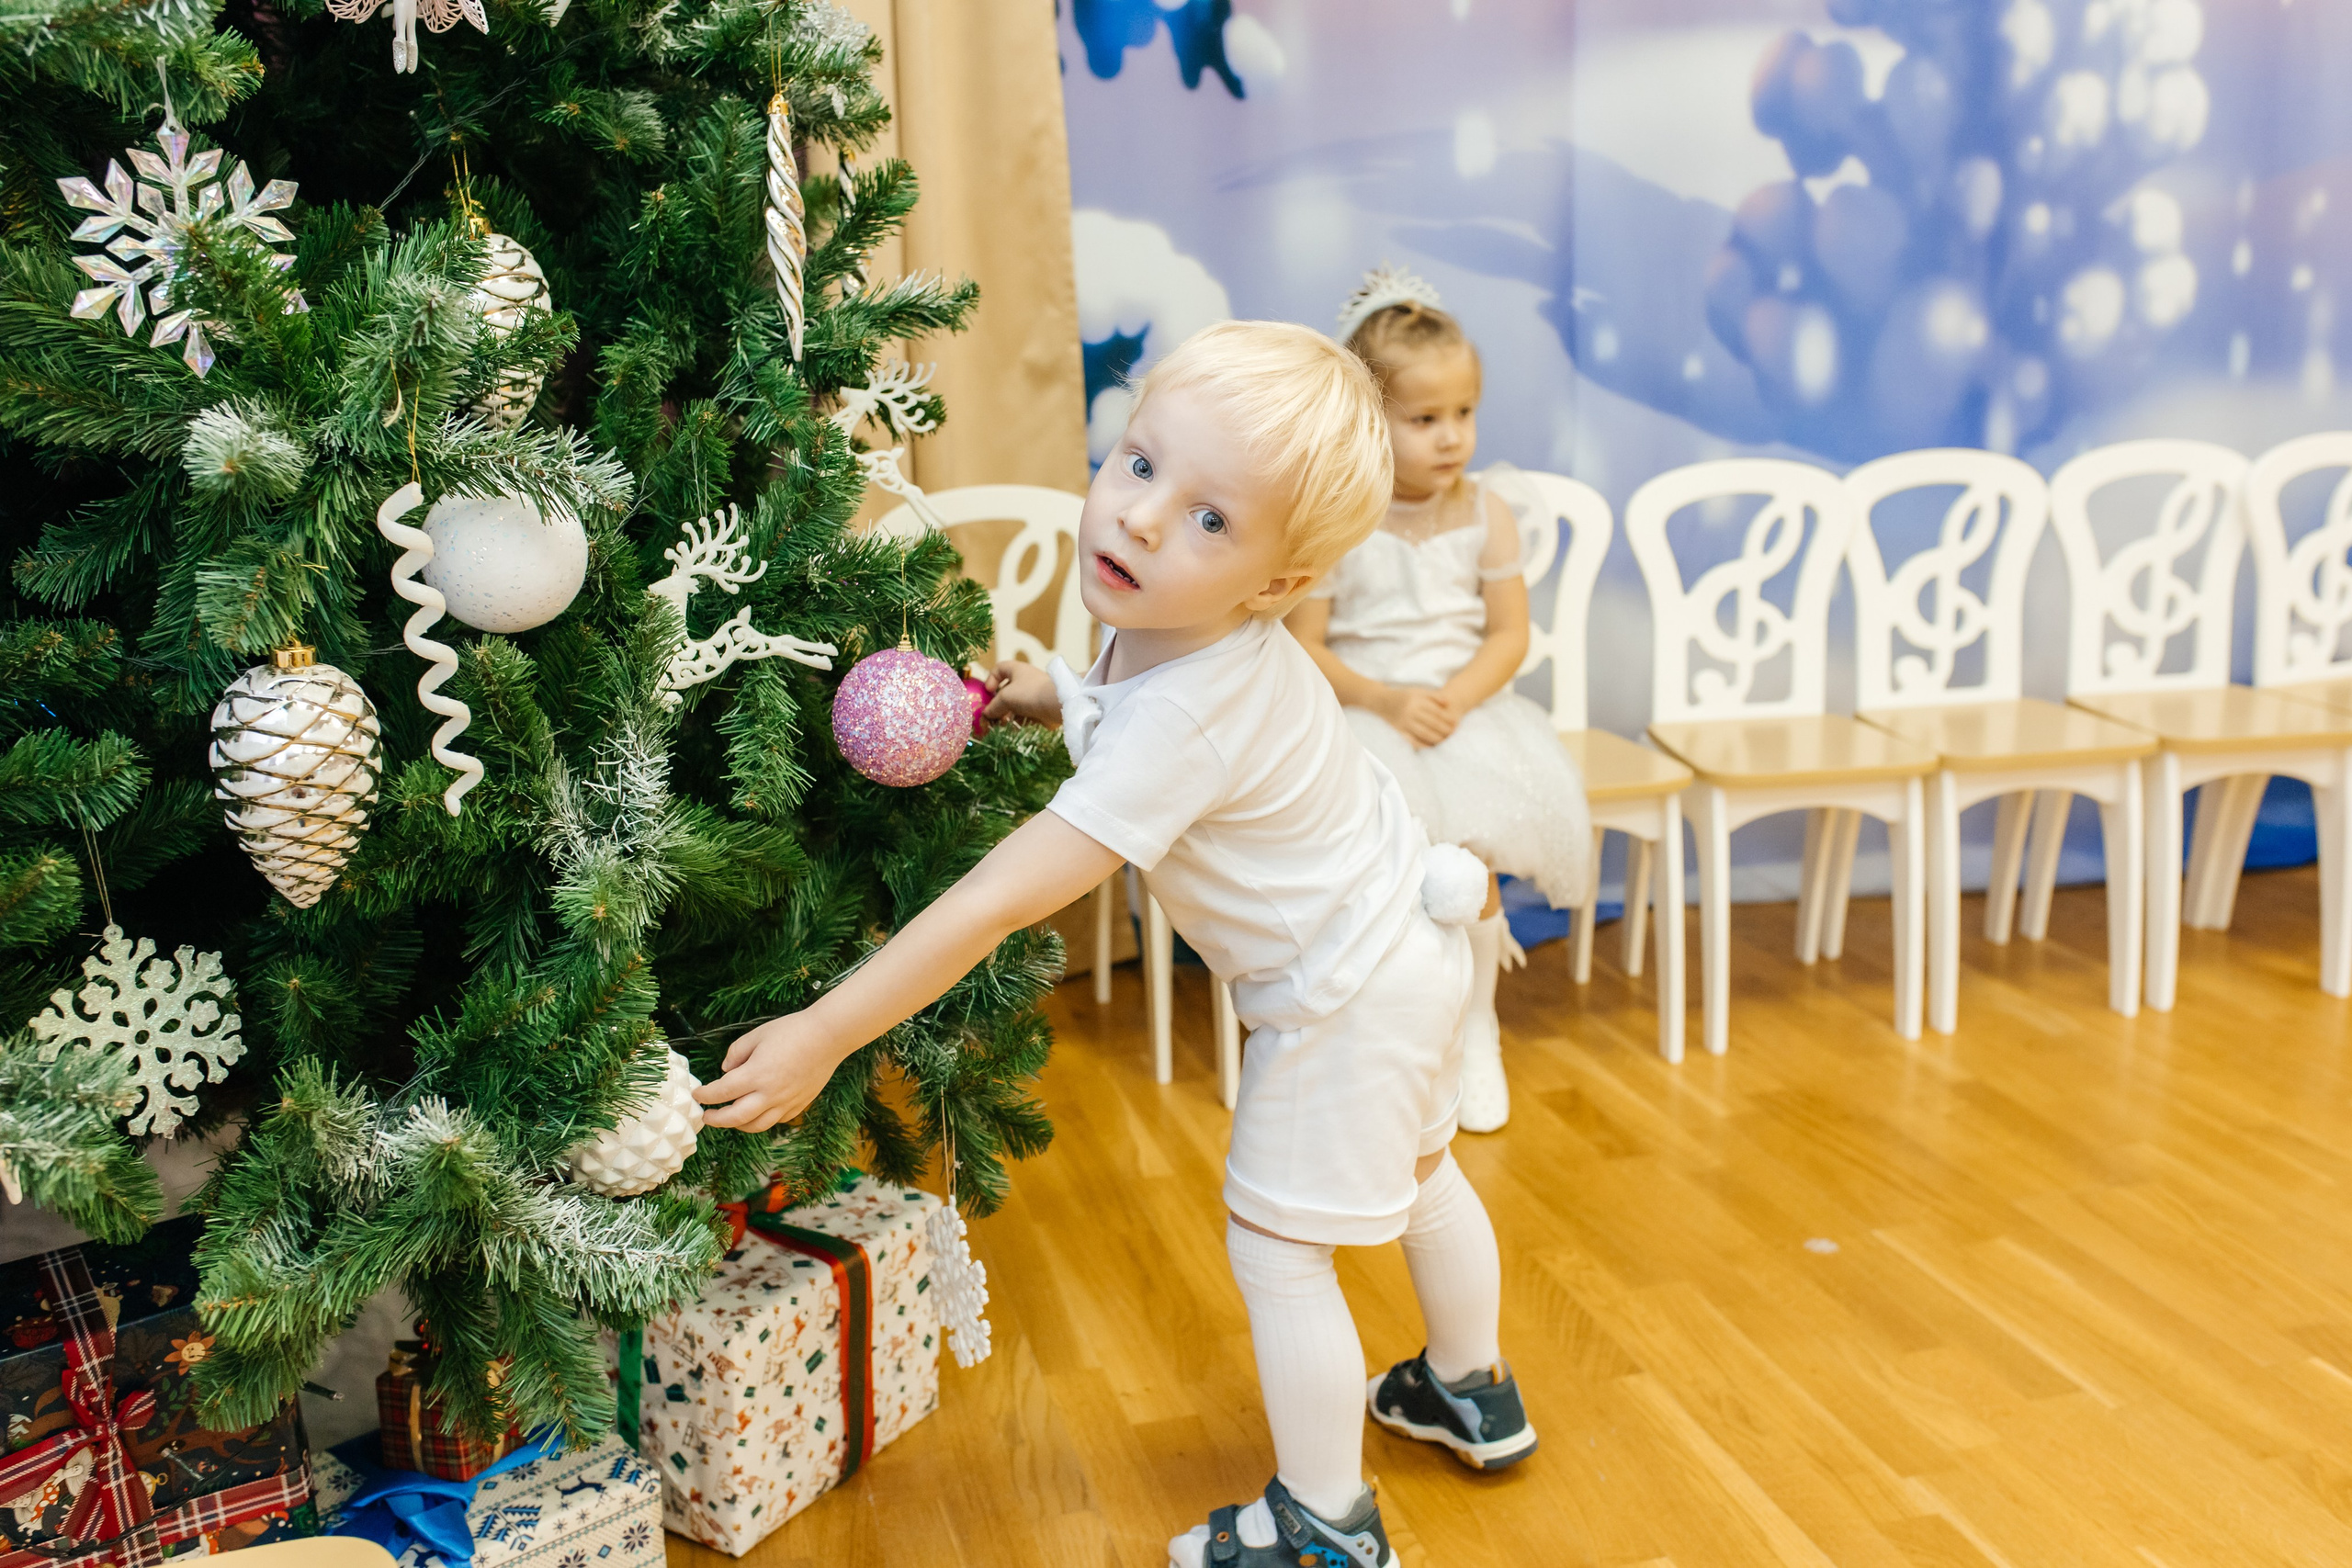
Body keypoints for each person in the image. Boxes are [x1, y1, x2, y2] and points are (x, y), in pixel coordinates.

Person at [696, 321, 1535, 1568]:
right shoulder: (1182, 636)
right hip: (1405, 934)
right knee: (1420, 1175)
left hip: (1348, 992)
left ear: (1276, 588)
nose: (1141, 519)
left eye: (1211, 518)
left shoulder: (1187, 716)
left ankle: (1325, 1524)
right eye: (1141, 464)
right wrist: (1048, 695)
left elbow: (993, 899)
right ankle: (1469, 1387)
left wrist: (827, 1030)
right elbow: (1130, 694)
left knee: (1279, 1241)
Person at [1288, 266, 1592, 1134]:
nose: (1450, 437)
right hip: (1365, 712)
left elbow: (1508, 635)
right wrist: (1387, 698)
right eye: (1424, 419)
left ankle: (1474, 1029)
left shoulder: (1486, 509)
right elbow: (1305, 645)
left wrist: (1454, 699)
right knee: (1379, 863)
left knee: (1463, 856)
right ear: (1369, 419)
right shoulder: (1347, 516)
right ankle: (1384, 1043)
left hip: (1463, 715)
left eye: (1463, 414)